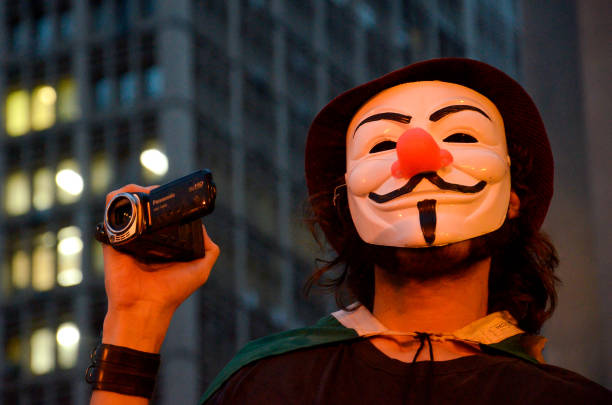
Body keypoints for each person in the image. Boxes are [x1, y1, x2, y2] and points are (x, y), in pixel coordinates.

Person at [88, 58, 611, 404]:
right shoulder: (266, 386)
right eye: (382, 147)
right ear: (345, 204)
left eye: (459, 133)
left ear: (513, 198)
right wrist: (135, 320)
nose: (417, 155)